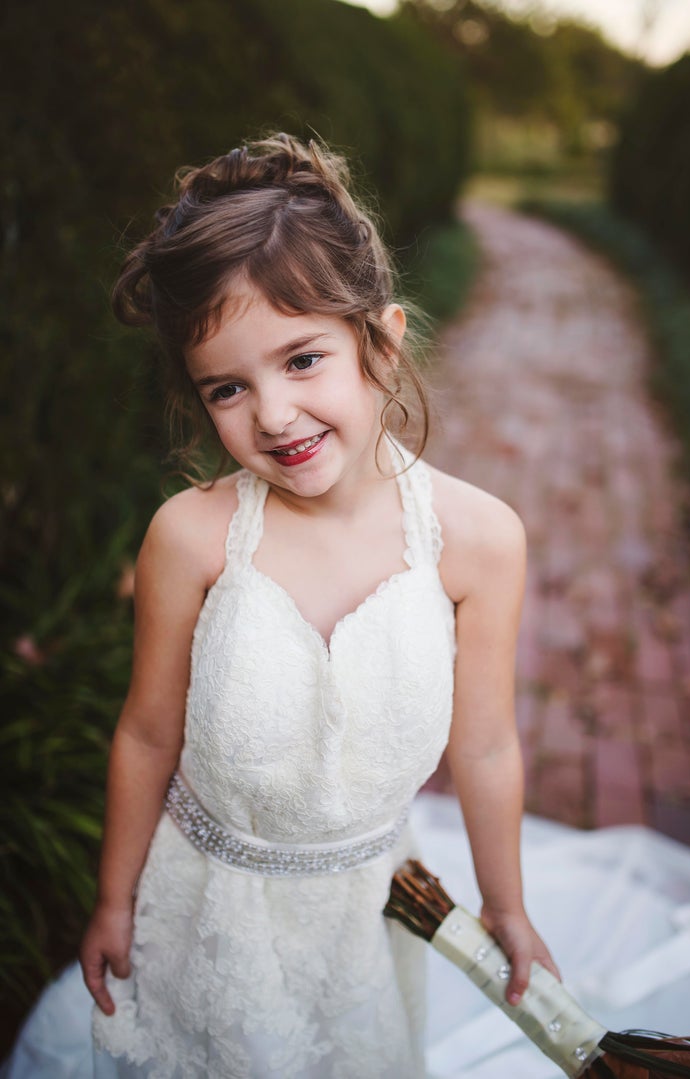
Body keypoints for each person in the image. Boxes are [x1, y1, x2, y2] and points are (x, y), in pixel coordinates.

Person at [78, 132, 558, 1078]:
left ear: (379, 338)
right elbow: (145, 734)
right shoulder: (192, 537)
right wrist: (114, 898)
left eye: (301, 360)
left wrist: (505, 903)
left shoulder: (479, 539)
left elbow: (488, 743)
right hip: (206, 912)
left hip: (361, 922)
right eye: (228, 386)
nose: (272, 415)